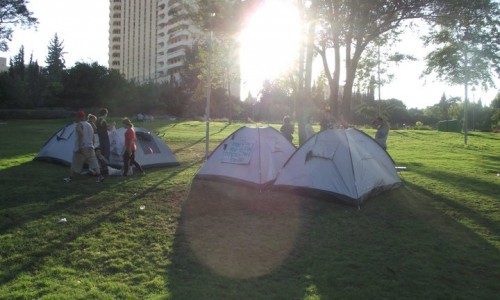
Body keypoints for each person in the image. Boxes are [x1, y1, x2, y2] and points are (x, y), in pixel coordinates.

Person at [64, 111, 104, 183]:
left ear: (78, 117)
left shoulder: (79, 125)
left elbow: (81, 135)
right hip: (90, 146)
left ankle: (70, 177)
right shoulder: (89, 125)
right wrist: (93, 145)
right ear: (84, 117)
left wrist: (79, 147)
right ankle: (100, 176)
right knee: (94, 163)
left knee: (75, 163)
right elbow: (93, 136)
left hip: (82, 147)